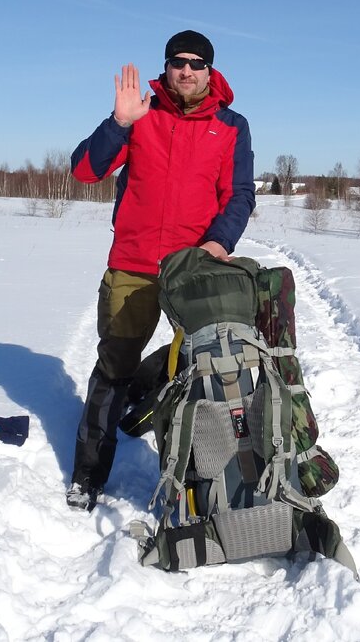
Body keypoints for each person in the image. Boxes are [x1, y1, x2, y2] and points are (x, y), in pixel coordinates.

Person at [66, 30, 255, 510]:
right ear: (166, 67)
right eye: (177, 62)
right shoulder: (140, 116)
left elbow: (239, 194)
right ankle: (88, 476)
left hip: (192, 268)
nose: (186, 70)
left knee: (202, 369)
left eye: (196, 63)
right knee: (114, 367)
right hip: (132, 265)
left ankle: (199, 481)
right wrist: (118, 123)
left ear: (210, 71)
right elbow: (85, 170)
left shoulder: (232, 126)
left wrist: (218, 241)